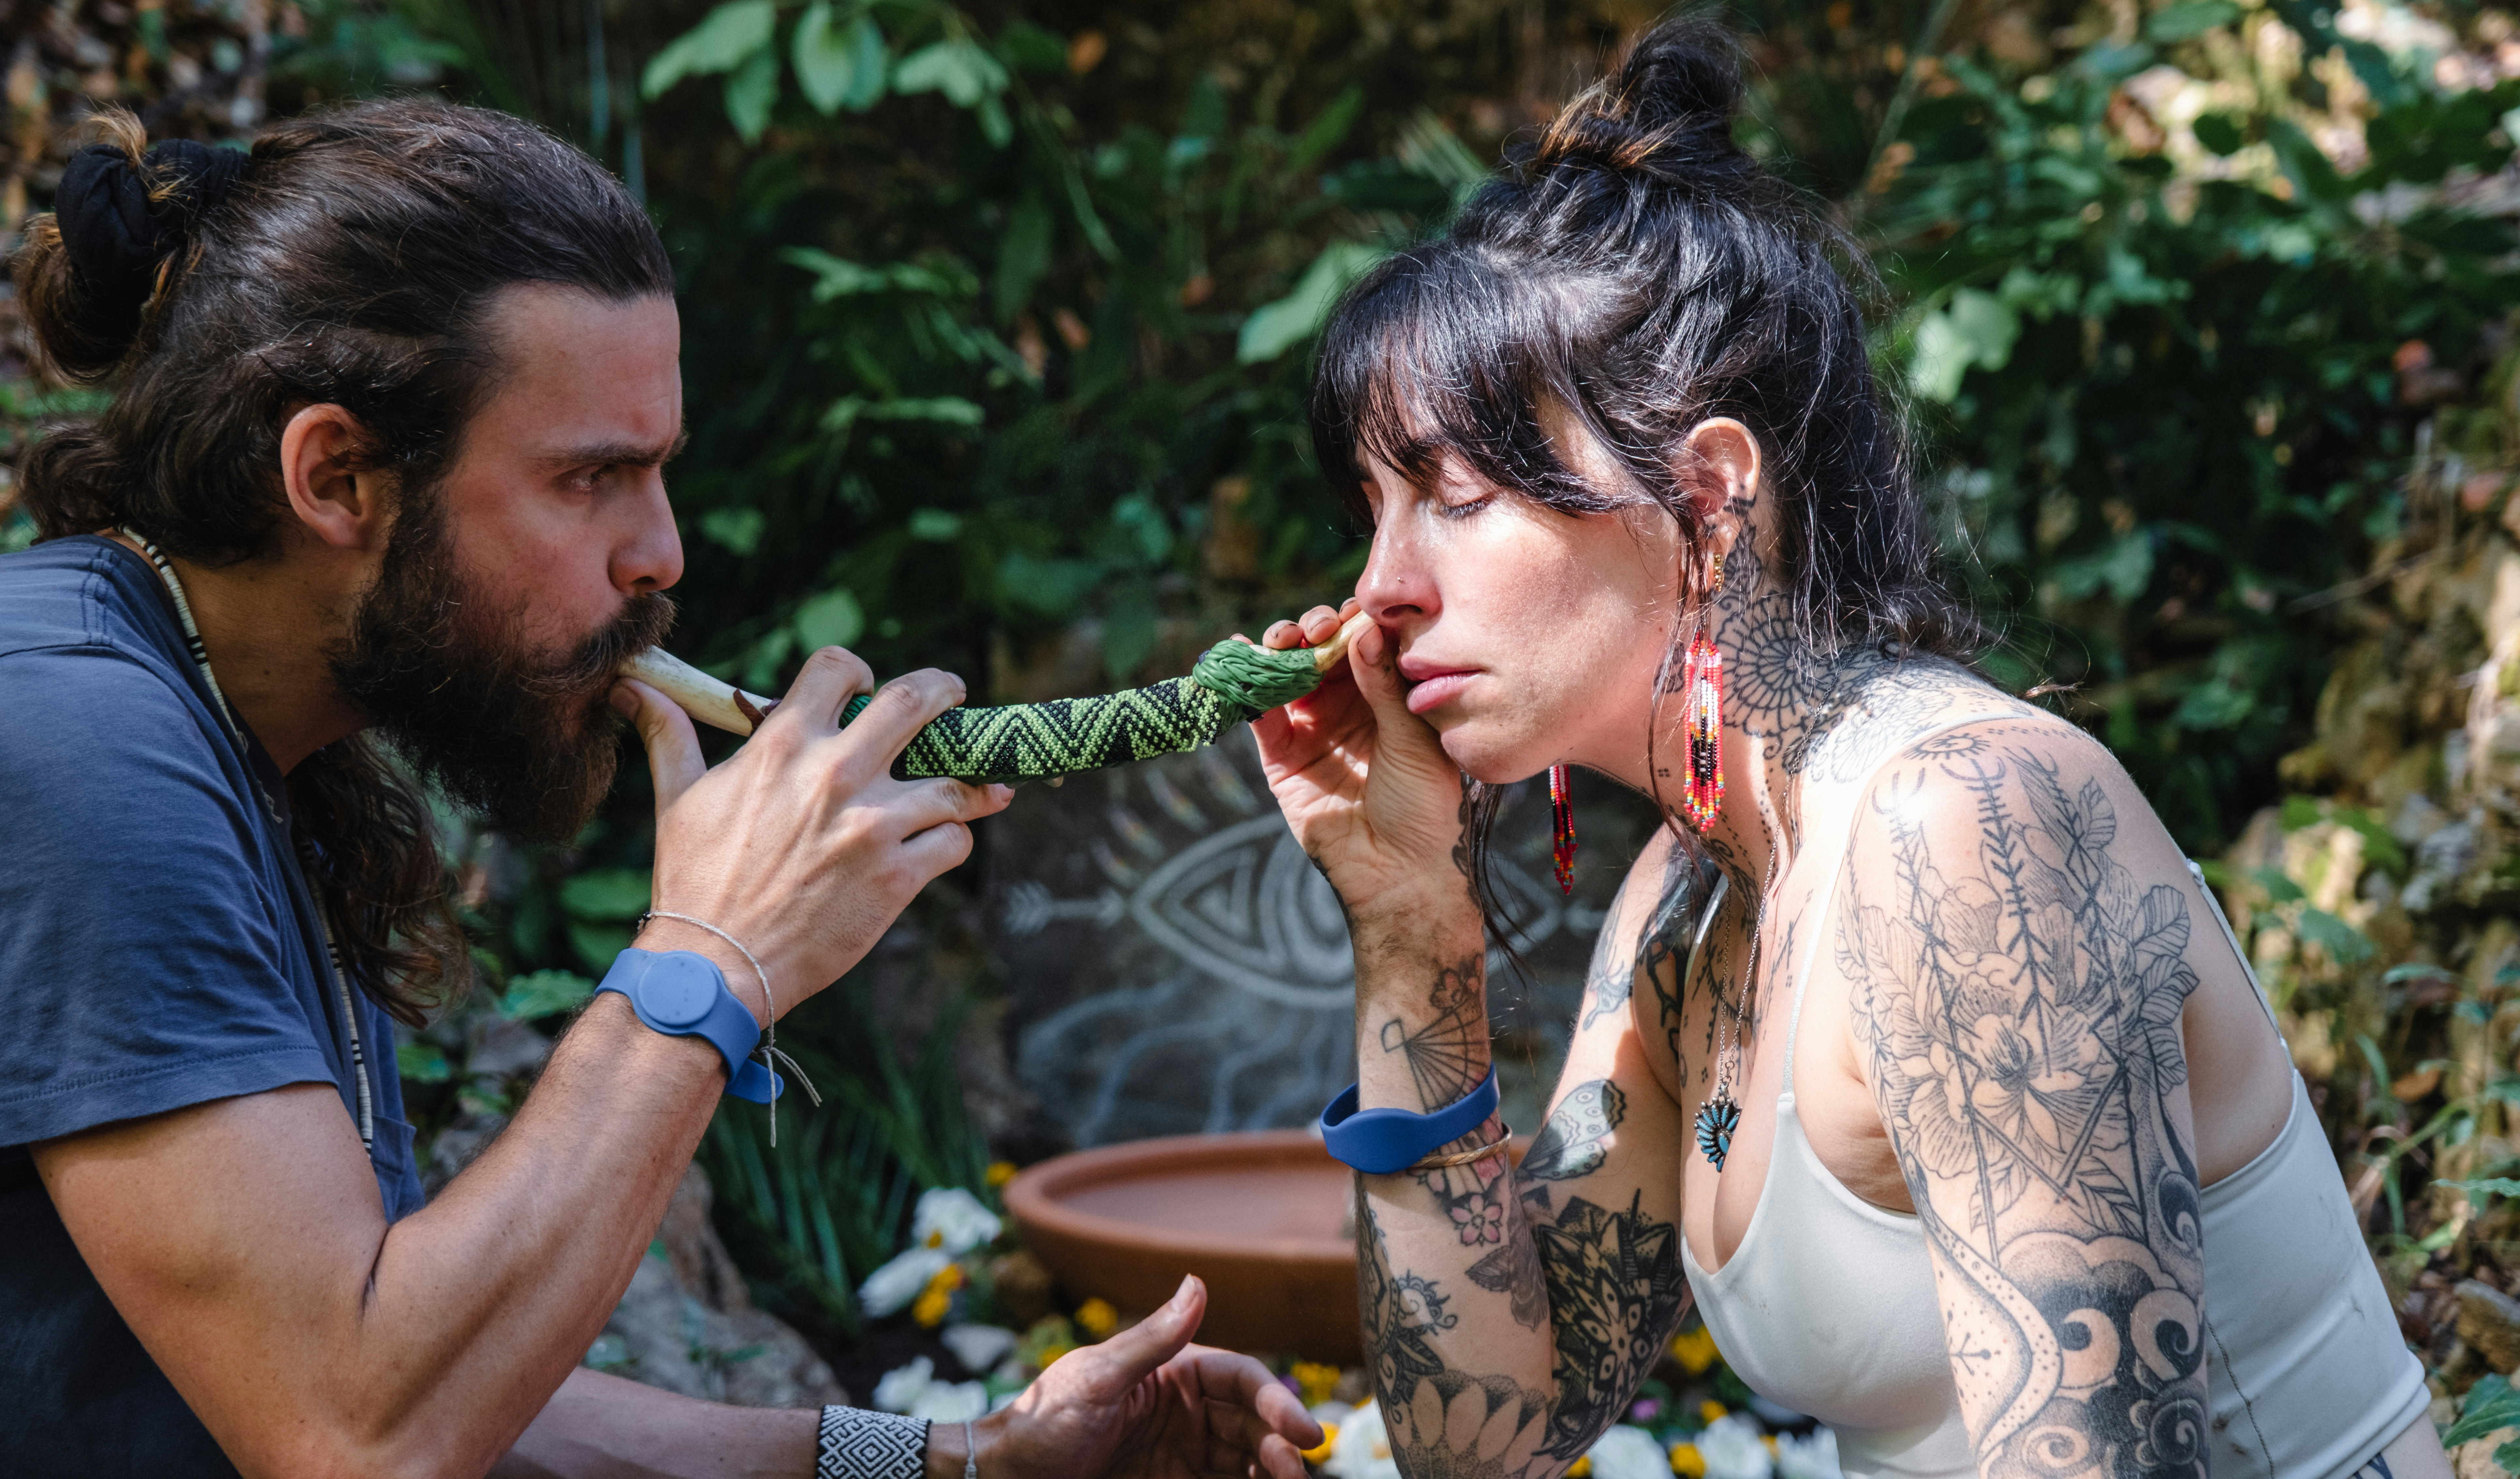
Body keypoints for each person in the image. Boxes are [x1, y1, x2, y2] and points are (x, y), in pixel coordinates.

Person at [0, 102, 1319, 1479]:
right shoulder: (74, 750)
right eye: (593, 480)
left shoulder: (255, 749)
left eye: (660, 473)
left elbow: (448, 1381)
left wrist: (959, 1458)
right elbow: (358, 1432)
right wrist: (710, 961)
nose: (663, 556)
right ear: (337, 476)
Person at [1250, 15, 2446, 1479]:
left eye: (1451, 495)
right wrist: (1409, 935)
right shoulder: (1691, 911)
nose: (1381, 589)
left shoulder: (1970, 828)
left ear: (1705, 498)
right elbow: (1484, 1436)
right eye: (1373, 510)